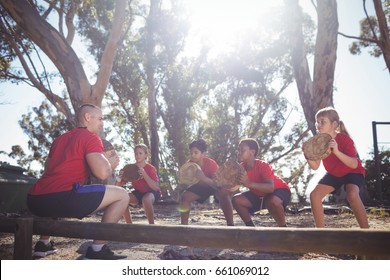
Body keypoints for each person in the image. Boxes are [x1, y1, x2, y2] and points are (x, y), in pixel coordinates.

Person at [26, 103, 130, 260]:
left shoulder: (59, 139)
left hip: (35, 199)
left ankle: (43, 243)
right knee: (123, 195)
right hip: (65, 197)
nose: (102, 123)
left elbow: (49, 170)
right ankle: (97, 249)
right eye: (100, 118)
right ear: (88, 118)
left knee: (54, 192)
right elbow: (102, 173)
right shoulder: (91, 137)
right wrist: (110, 165)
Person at [304, 107, 369, 228]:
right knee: (314, 196)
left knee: (352, 195)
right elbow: (315, 166)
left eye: (322, 121)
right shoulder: (319, 143)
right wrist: (308, 155)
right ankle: (320, 233)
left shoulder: (345, 139)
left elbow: (354, 164)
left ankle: (366, 232)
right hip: (334, 174)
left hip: (352, 171)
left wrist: (336, 151)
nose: (318, 125)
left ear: (334, 124)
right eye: (317, 121)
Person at [232, 138, 291, 227]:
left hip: (278, 190)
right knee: (236, 200)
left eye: (242, 150)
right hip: (259, 195)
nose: (239, 152)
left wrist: (249, 184)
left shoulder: (263, 165)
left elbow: (270, 188)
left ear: (252, 152)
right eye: (238, 150)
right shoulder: (240, 168)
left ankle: (284, 230)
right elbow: (232, 186)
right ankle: (251, 229)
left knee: (272, 201)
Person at [178, 139, 235, 226]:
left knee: (224, 193)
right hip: (201, 187)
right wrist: (182, 180)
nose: (193, 155)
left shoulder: (211, 164)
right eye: (191, 152)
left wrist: (204, 178)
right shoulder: (189, 164)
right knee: (185, 197)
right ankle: (183, 226)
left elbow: (218, 184)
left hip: (214, 186)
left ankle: (231, 225)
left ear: (203, 154)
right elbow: (187, 182)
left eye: (196, 152)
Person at [119, 144, 160, 224]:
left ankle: (152, 225)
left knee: (146, 199)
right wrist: (120, 177)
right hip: (138, 193)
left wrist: (144, 174)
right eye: (136, 153)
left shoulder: (151, 168)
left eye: (140, 153)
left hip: (152, 193)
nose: (137, 155)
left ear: (146, 155)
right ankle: (129, 226)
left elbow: (156, 187)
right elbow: (118, 186)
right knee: (122, 197)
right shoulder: (131, 168)